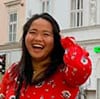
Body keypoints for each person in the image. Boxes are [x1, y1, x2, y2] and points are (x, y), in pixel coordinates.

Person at [0, 12, 92, 99]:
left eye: (46, 34)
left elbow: (80, 65)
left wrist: (66, 42)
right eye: (33, 32)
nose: (38, 38)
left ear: (55, 40)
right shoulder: (13, 71)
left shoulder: (66, 72)